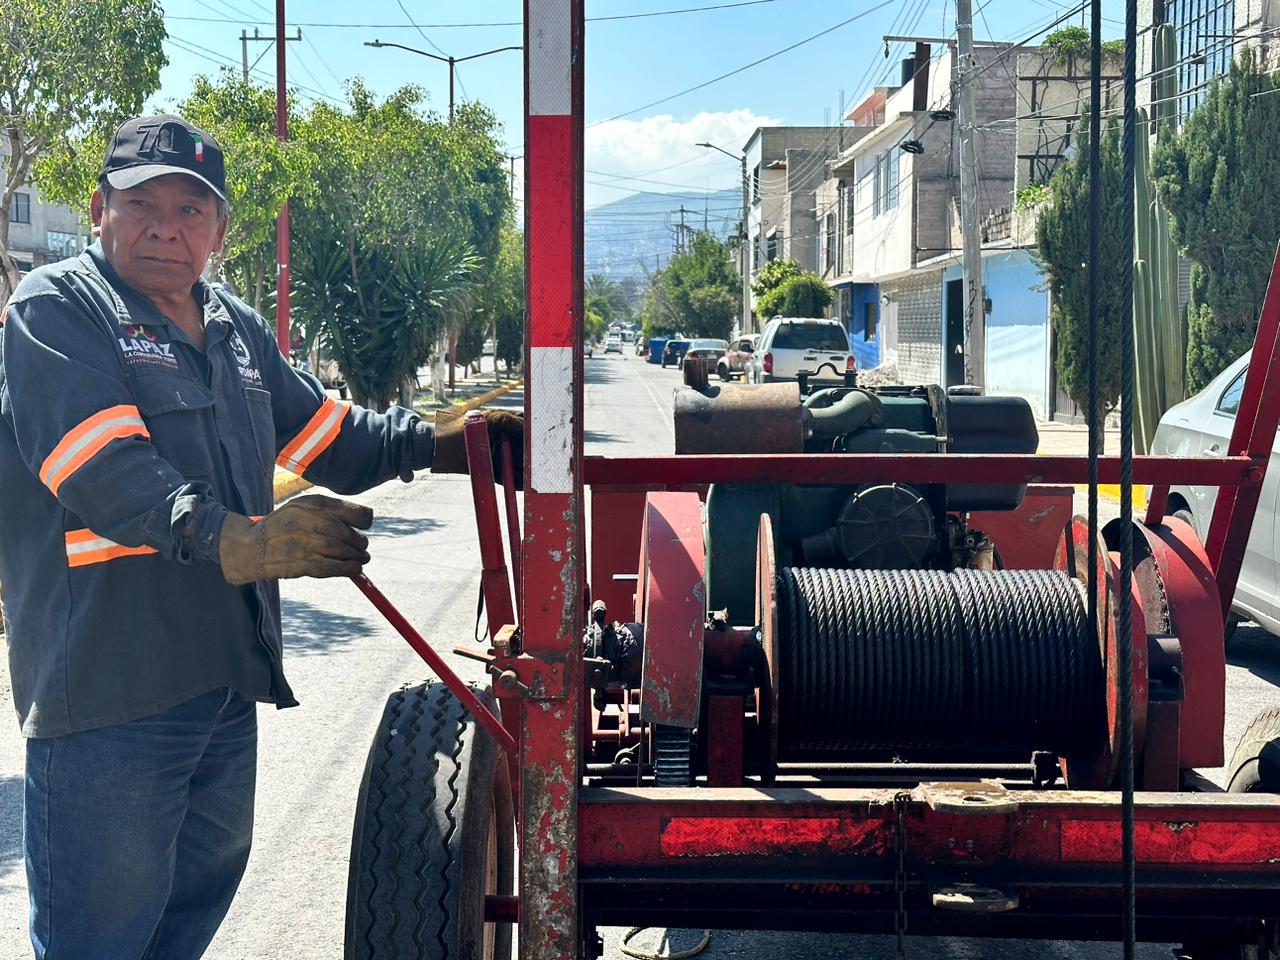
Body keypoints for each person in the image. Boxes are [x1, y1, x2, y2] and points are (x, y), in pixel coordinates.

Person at [0, 115, 521, 959]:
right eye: (142, 204)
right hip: (107, 699)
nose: (166, 226)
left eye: (191, 208)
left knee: (186, 918)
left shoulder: (236, 330)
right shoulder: (58, 310)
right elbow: (103, 467)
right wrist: (237, 540)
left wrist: (447, 445)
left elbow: (330, 440)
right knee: (98, 941)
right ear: (99, 209)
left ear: (220, 229)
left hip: (220, 692)